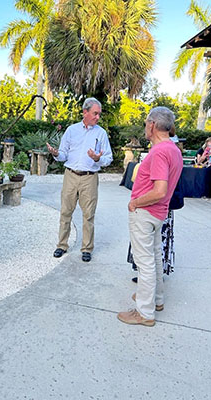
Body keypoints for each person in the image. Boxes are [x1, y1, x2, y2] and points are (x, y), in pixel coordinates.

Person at [117, 106, 183, 327]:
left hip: (146, 213)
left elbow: (159, 190)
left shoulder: (159, 151)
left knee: (144, 261)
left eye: (146, 123)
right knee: (154, 258)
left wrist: (135, 202)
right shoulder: (173, 149)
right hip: (158, 214)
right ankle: (156, 300)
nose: (146, 127)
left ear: (152, 125)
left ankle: (144, 312)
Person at [46, 97, 113, 262]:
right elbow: (63, 155)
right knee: (65, 212)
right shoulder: (71, 130)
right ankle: (61, 245)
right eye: (95, 113)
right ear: (85, 112)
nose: (97, 117)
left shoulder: (101, 133)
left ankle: (87, 249)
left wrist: (98, 159)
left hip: (89, 178)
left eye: (99, 114)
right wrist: (55, 154)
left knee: (88, 215)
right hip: (70, 175)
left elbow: (108, 158)